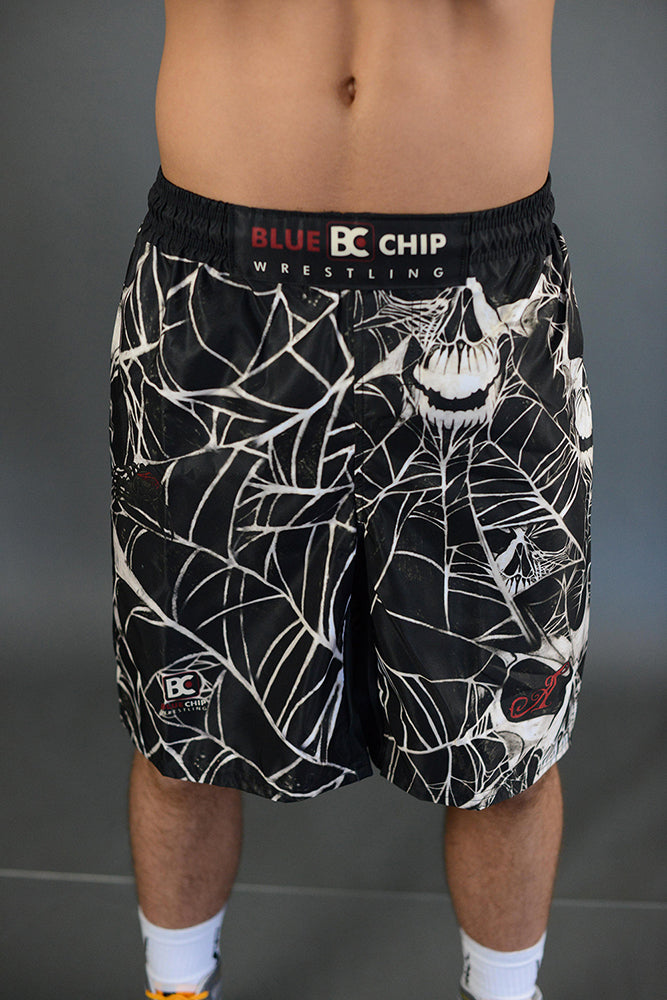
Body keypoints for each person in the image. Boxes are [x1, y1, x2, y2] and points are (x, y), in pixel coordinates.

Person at [108, 2, 593, 998]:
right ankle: (174, 988)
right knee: (183, 726)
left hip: (480, 302)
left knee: (504, 746)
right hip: (218, 291)